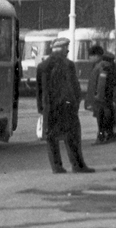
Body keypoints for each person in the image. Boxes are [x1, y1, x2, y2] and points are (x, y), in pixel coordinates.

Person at [35, 37, 94, 174]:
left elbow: (39, 90)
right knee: (72, 136)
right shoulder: (68, 65)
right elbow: (74, 86)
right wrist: (75, 102)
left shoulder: (42, 66)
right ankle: (77, 165)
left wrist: (41, 108)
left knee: (51, 137)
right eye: (66, 48)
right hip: (66, 107)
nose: (67, 51)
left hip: (50, 108)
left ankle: (56, 167)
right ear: (61, 49)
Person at [87, 44, 116, 145]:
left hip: (101, 99)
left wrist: (99, 96)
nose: (89, 58)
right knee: (106, 117)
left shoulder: (102, 66)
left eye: (90, 56)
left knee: (101, 119)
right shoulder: (103, 65)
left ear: (97, 56)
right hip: (105, 98)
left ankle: (101, 137)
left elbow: (101, 83)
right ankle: (110, 135)